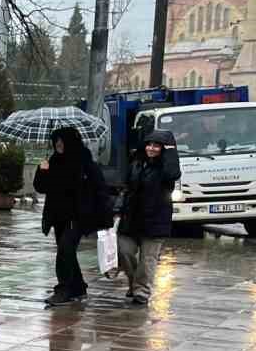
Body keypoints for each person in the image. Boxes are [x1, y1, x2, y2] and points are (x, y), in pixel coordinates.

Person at [33, 125, 110, 306]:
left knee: (65, 250)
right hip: (58, 216)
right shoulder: (53, 161)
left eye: (62, 140)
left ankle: (64, 290)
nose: (58, 145)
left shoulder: (84, 162)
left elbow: (100, 189)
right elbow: (41, 187)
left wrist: (105, 217)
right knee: (66, 251)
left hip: (78, 216)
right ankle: (78, 287)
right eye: (56, 141)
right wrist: (42, 170)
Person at [117, 129, 180, 306]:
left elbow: (173, 174)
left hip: (155, 221)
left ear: (164, 149)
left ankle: (142, 292)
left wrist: (171, 151)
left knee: (148, 260)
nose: (151, 148)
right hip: (131, 219)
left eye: (156, 146)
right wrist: (118, 208)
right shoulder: (137, 164)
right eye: (149, 144)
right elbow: (126, 187)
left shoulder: (166, 168)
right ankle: (134, 284)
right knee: (125, 252)